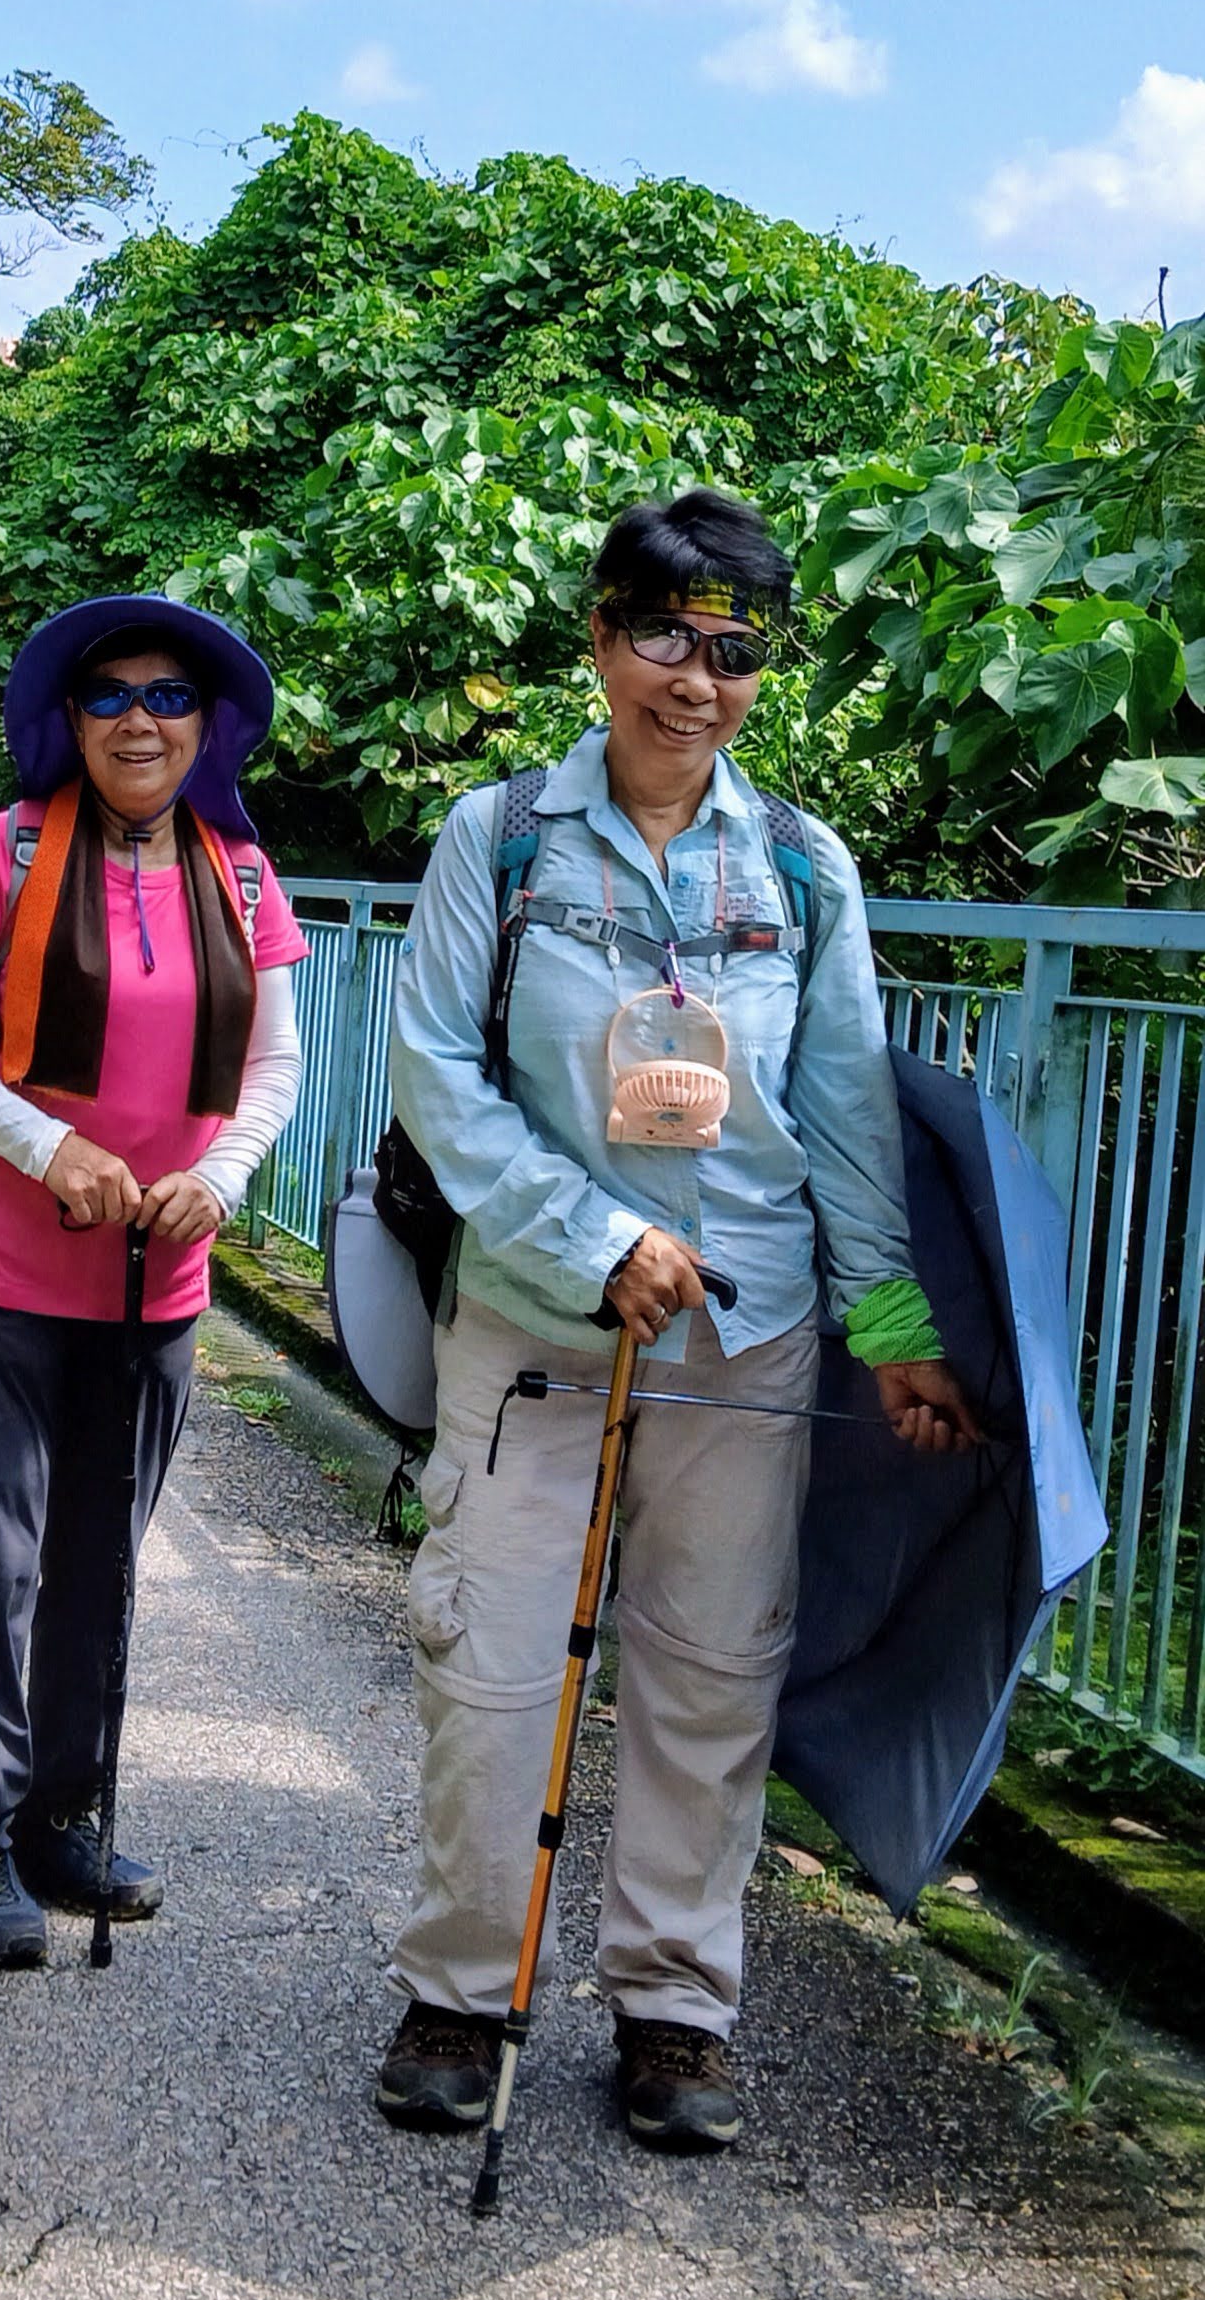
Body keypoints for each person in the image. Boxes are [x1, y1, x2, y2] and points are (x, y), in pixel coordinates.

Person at [378, 487, 979, 2153]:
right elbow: (436, 1078)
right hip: (535, 1326)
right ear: (599, 638)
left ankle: (675, 2008)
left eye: (733, 652)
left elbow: (844, 1117)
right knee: (498, 1669)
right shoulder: (498, 837)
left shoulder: (802, 866)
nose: (696, 681)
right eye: (662, 635)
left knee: (713, 1674)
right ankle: (462, 1988)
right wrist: (596, 1241)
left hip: (748, 1339)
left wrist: (890, 1322)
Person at [0, 592, 306, 1969]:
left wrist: (221, 1177)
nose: (139, 719)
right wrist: (48, 1145)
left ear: (207, 725)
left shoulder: (244, 879)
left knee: (98, 1566)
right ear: (69, 720)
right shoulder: (3, 851)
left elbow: (275, 1066)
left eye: (168, 695)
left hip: (155, 1282)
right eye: (110, 694)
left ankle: (63, 1819)